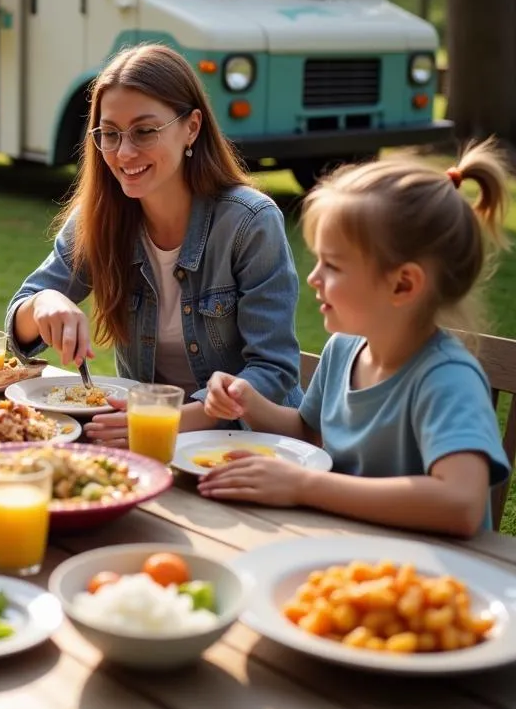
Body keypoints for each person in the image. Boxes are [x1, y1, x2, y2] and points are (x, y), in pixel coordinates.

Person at [202, 142, 512, 536]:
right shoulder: (346, 347)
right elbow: (309, 432)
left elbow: (461, 503)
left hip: (434, 580)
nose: (313, 278)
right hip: (353, 554)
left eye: (332, 265)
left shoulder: (446, 378)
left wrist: (304, 486)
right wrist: (248, 401)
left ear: (403, 284)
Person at [6, 43, 301, 445]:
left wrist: (162, 421)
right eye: (109, 134)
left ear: (191, 127)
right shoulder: (99, 216)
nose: (124, 152)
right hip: (140, 442)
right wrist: (43, 303)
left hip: (242, 446)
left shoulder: (249, 223)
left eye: (144, 131)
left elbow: (273, 371)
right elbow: (16, 334)